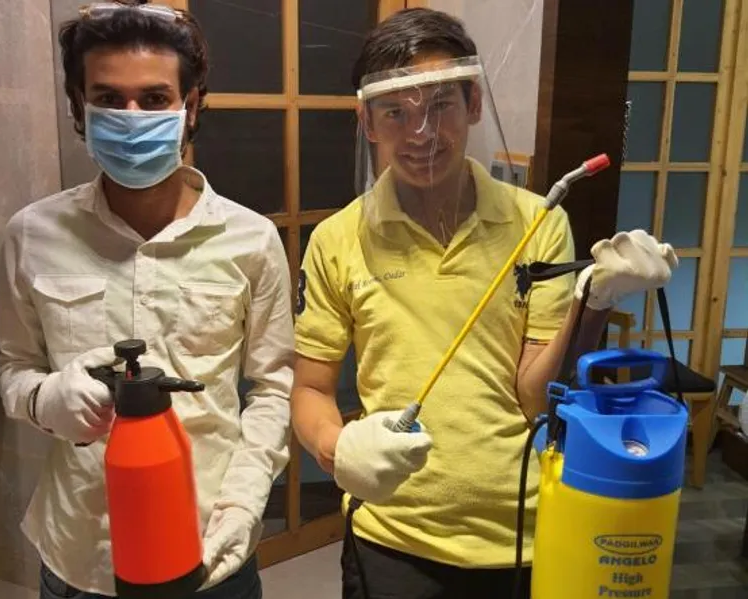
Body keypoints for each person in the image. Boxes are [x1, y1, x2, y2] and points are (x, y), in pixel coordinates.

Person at [291, 8, 678, 599]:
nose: (422, 134)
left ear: (473, 104)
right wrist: (337, 447)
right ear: (367, 121)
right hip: (392, 536)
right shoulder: (338, 239)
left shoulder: (537, 223)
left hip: (520, 533)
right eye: (396, 112)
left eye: (440, 104)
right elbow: (310, 389)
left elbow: (534, 396)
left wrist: (594, 299)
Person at [0, 3, 292, 598]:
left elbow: (273, 388)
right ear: (78, 106)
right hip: (82, 556)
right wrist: (45, 399)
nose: (132, 119)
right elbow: (11, 367)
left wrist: (244, 501)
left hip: (210, 545)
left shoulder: (252, 239)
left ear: (191, 106)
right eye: (109, 98)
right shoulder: (31, 235)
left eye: (155, 99)